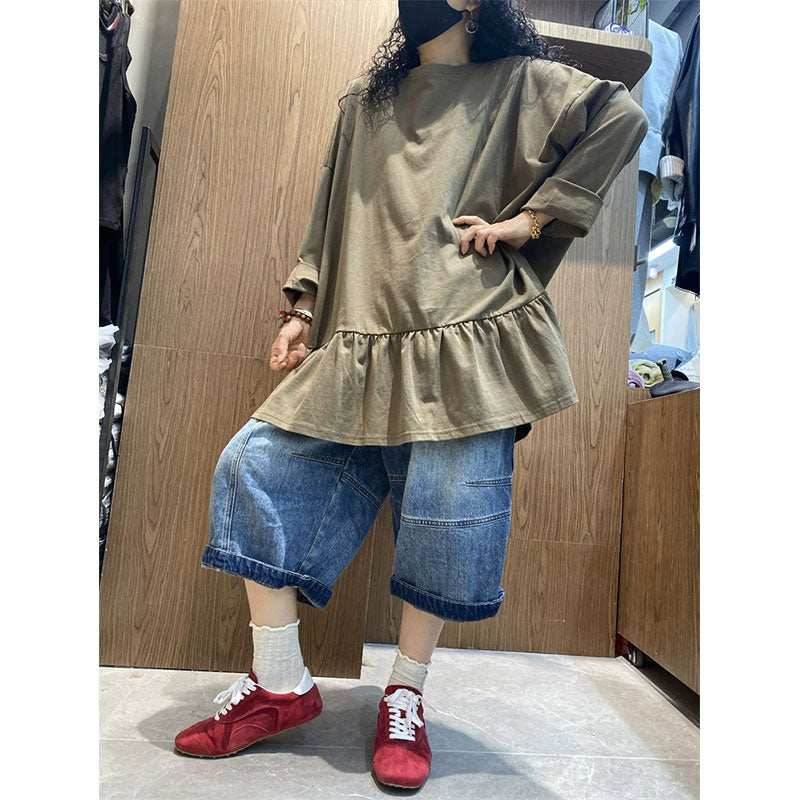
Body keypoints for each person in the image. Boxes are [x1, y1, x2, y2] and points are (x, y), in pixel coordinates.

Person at [174, 0, 648, 790]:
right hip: (361, 331)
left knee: (444, 521)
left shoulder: (521, 82)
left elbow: (620, 116)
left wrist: (532, 220)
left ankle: (405, 693)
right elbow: (330, 215)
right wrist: (302, 309)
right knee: (252, 468)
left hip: (469, 333)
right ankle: (280, 682)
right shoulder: (367, 104)